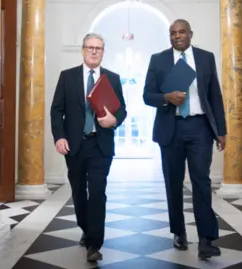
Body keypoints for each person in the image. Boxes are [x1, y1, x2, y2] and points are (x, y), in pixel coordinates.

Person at [143, 19, 227, 260]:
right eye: (173, 33)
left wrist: (220, 130)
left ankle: (206, 239)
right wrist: (166, 97)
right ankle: (179, 231)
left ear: (191, 33)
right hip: (171, 128)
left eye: (181, 32)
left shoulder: (205, 57)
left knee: (201, 181)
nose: (177, 36)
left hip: (200, 127)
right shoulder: (158, 59)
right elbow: (147, 95)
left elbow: (214, 96)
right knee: (173, 182)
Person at [50, 33, 127, 262]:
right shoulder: (67, 77)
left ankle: (94, 243)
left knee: (97, 193)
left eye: (99, 48)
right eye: (90, 47)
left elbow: (122, 109)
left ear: (103, 52)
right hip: (74, 145)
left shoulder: (112, 78)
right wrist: (59, 137)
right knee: (79, 193)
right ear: (83, 50)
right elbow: (57, 110)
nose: (94, 52)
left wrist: (115, 120)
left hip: (100, 145)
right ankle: (86, 227)